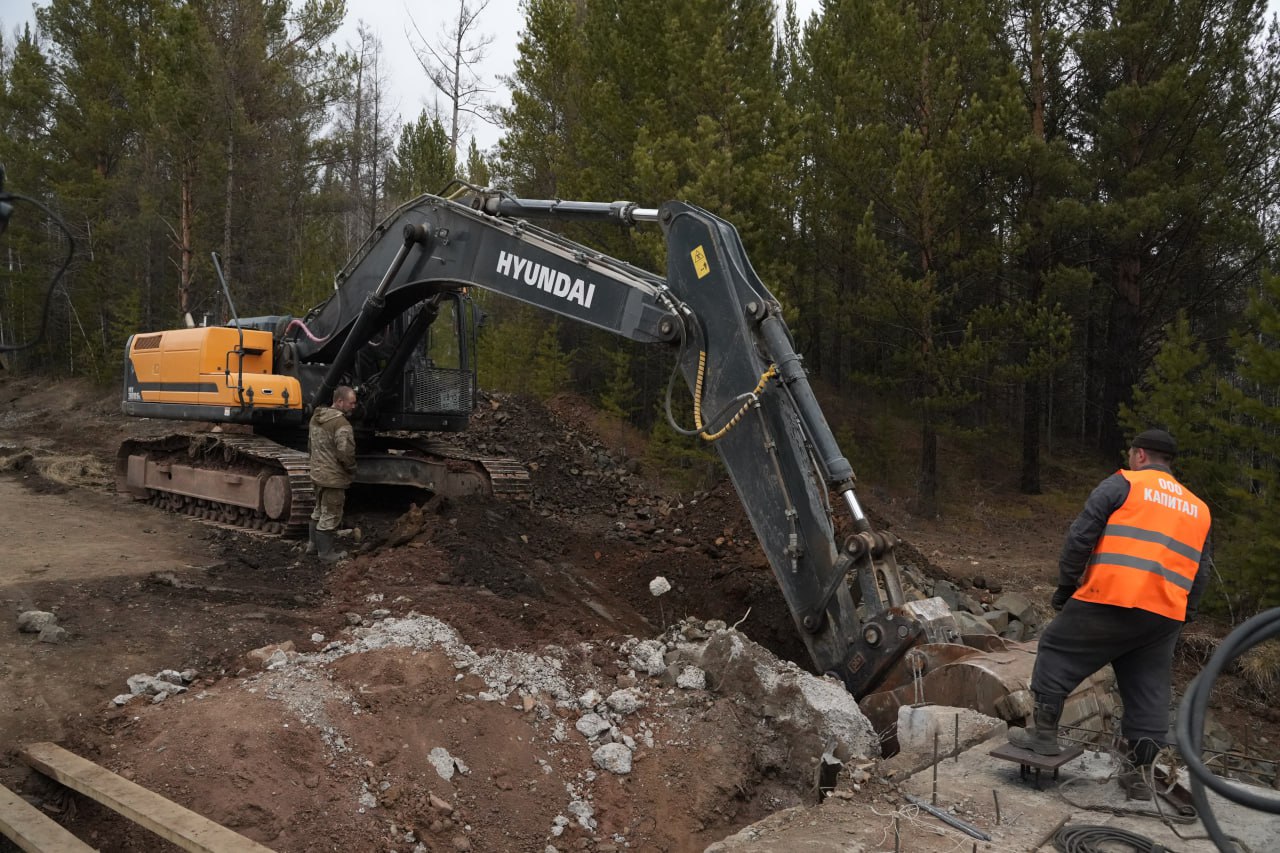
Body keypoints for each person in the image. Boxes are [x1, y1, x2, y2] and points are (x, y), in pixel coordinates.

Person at [1008, 428, 1212, 800]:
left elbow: (1080, 537)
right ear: (1169, 463)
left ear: (1139, 455)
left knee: (1056, 649)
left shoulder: (1122, 485)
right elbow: (1201, 570)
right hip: (1164, 613)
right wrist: (1185, 614)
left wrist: (1067, 587)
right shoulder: (1198, 508)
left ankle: (1042, 738)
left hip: (1112, 597)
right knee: (1147, 687)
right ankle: (1139, 774)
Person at [308, 385, 358, 563]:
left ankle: (312, 546)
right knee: (330, 515)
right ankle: (326, 554)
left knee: (318, 511)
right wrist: (352, 470)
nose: (354, 406)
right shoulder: (341, 424)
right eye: (351, 403)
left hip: (317, 473)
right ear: (339, 401)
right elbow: (345, 454)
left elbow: (310, 446)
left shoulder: (316, 417)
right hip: (333, 478)